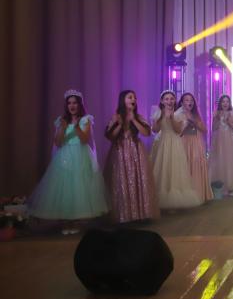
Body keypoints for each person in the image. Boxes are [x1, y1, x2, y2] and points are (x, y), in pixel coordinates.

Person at [29, 90, 107, 233]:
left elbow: (85, 140)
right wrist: (63, 128)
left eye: (75, 103)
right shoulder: (62, 120)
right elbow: (58, 143)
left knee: (79, 186)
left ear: (79, 104)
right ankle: (66, 221)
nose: (72, 106)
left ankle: (75, 222)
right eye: (69, 103)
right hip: (64, 155)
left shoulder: (86, 119)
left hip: (80, 154)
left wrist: (76, 127)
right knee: (65, 187)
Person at [105, 90, 159, 222]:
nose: (133, 99)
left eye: (134, 97)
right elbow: (110, 136)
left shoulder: (138, 117)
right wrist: (120, 124)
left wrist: (133, 119)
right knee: (122, 181)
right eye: (130, 97)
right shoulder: (116, 117)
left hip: (136, 150)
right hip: (120, 151)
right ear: (123, 100)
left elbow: (146, 133)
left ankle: (140, 213)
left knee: (137, 179)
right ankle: (125, 214)